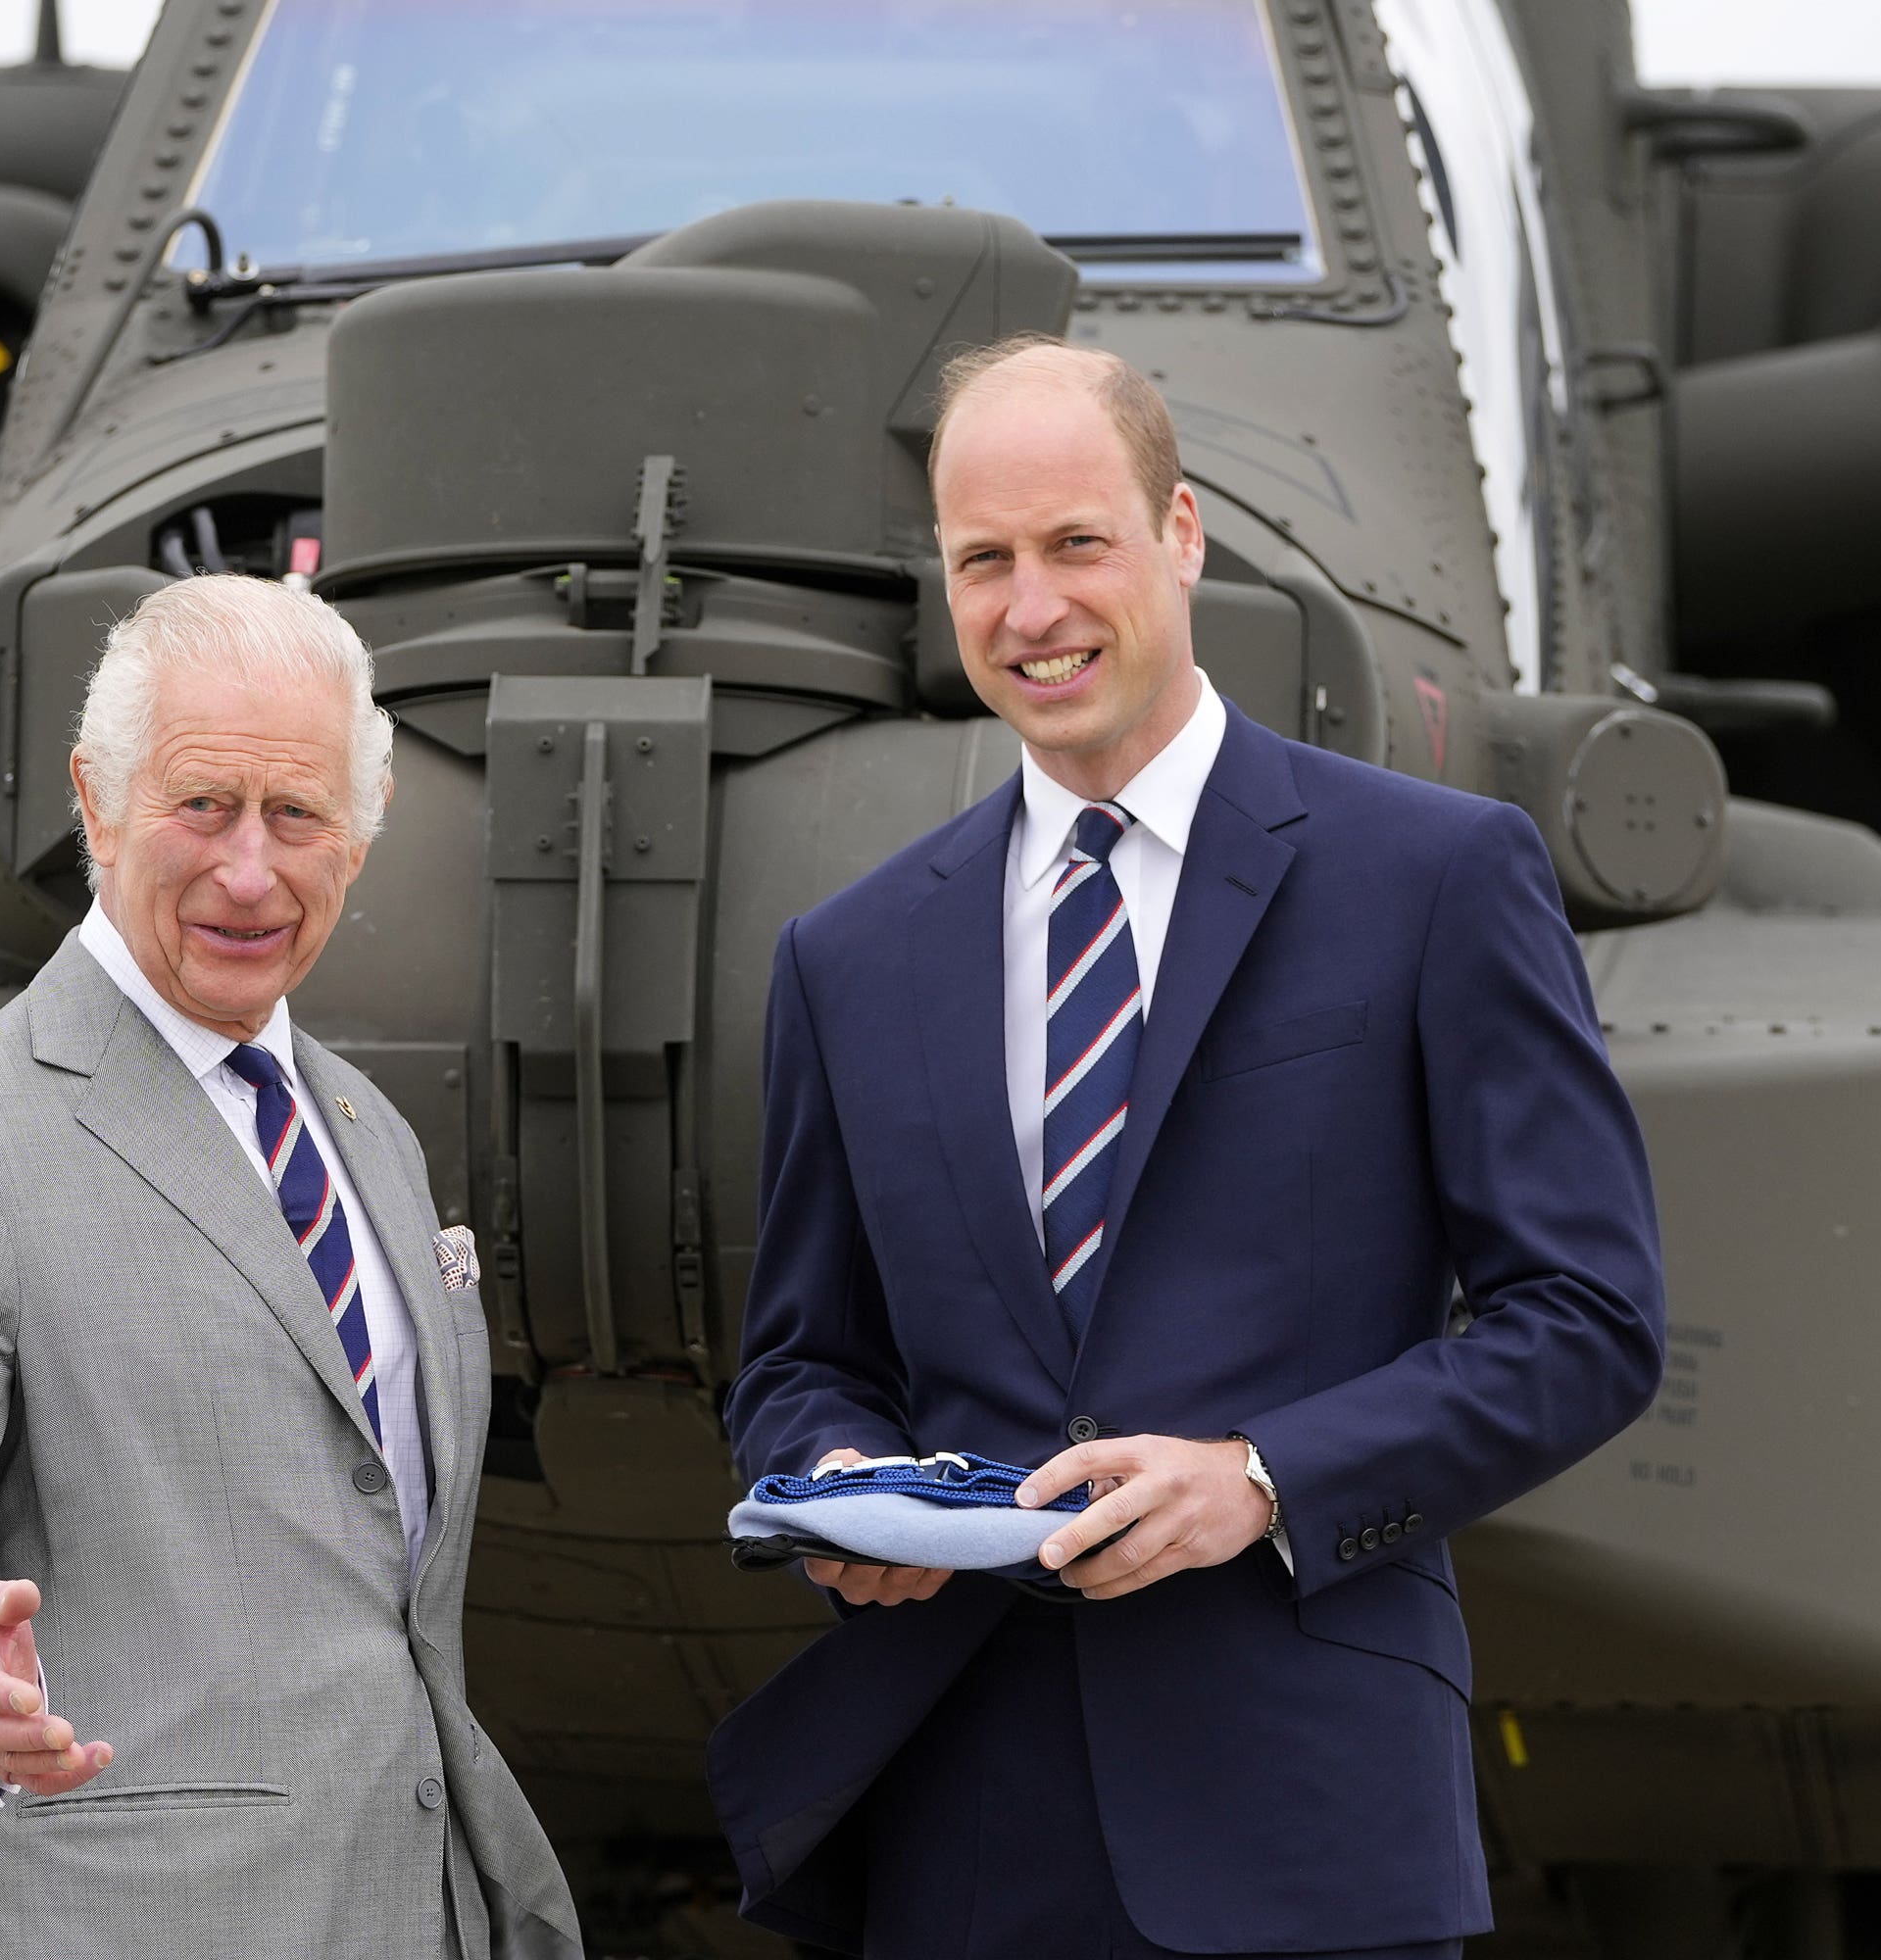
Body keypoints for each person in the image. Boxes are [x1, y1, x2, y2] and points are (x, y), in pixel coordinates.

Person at [710, 336, 1667, 1959]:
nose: (1032, 610)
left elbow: (1586, 1321)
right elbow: (804, 1361)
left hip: (1311, 1830)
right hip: (961, 1835)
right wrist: (843, 1497)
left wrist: (1261, 1481)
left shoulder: (1436, 877)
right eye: (983, 562)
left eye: (1077, 544)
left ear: (1183, 534)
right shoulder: (850, 957)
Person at [0, 576, 579, 1959]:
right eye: (204, 805)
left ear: (362, 837)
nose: (252, 872)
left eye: (301, 817)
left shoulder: (366, 1138)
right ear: (98, 803)